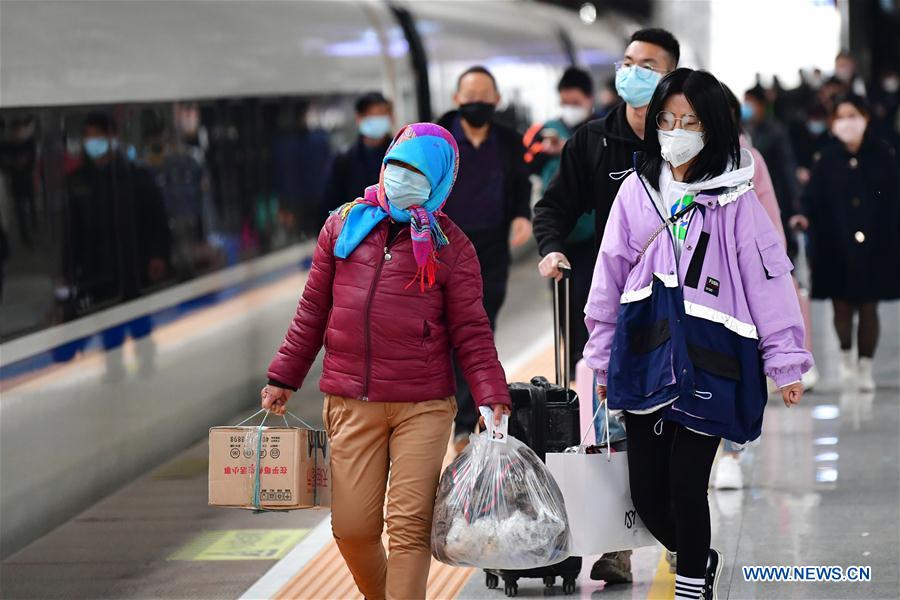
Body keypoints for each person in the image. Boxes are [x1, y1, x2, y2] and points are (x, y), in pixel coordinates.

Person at [584, 68, 812, 600]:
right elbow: (608, 276)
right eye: (666, 119)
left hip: (714, 357)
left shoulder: (736, 200)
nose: (675, 130)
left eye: (688, 120)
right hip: (645, 352)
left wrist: (785, 363)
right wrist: (599, 359)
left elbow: (769, 282)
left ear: (712, 128)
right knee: (647, 493)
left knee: (687, 484)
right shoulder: (635, 193)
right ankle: (697, 557)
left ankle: (691, 586)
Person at [261, 122, 512, 600]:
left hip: (423, 403)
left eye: (416, 172)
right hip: (350, 398)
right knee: (352, 528)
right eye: (396, 165)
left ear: (438, 182)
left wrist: (490, 395)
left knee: (409, 526)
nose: (401, 178)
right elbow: (313, 309)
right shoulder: (342, 226)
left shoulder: (451, 247)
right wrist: (283, 376)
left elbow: (472, 330)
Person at [532, 27, 681, 585]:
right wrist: (551, 249)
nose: (632, 72)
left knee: (676, 427)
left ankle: (676, 534)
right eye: (627, 61)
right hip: (612, 312)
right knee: (611, 427)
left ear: (671, 77)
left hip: (679, 315)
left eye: (647, 64)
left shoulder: (686, 140)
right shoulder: (593, 141)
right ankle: (617, 544)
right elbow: (555, 207)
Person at [436, 66, 532, 451]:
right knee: (446, 333)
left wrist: (522, 214)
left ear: (497, 100)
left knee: (479, 327)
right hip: (444, 247)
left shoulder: (508, 139)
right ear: (457, 99)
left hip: (491, 249)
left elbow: (521, 182)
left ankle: (466, 419)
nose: (477, 101)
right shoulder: (438, 137)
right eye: (469, 94)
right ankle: (457, 416)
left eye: (484, 95)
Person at [790, 95, 900, 392]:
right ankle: (845, 353)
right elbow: (810, 197)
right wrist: (802, 215)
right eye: (841, 116)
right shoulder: (826, 158)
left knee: (868, 305)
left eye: (853, 115)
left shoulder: (883, 154)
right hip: (833, 243)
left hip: (876, 243)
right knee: (841, 306)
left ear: (864, 117)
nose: (847, 122)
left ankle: (865, 365)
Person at [523, 67, 599, 372]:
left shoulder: (599, 130)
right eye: (564, 100)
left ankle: (591, 363)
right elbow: (526, 161)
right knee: (564, 302)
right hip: (559, 236)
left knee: (591, 301)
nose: (569, 106)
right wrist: (544, 149)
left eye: (575, 100)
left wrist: (567, 147)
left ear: (589, 99)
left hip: (592, 234)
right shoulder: (546, 129)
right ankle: (573, 368)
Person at [742, 87, 800, 255]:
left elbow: (787, 166)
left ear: (761, 105)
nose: (747, 106)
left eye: (751, 102)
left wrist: (795, 203)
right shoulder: (748, 129)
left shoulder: (775, 130)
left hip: (775, 195)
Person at [325, 92, 394, 212]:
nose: (379, 120)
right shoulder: (344, 160)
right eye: (374, 115)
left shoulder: (399, 155)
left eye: (383, 114)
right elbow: (330, 202)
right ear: (359, 118)